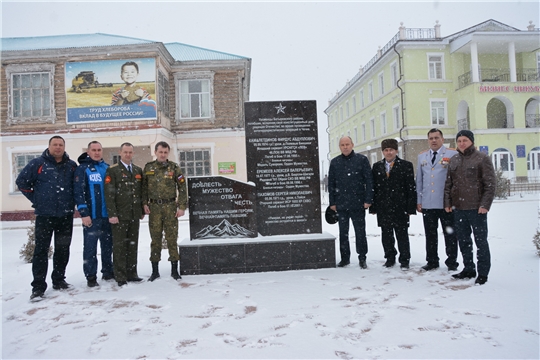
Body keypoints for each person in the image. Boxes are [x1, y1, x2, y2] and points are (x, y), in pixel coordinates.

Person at [16, 136, 78, 301]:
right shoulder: (38, 164)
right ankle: (38, 287)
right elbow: (21, 182)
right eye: (55, 145)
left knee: (62, 249)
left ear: (64, 147)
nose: (58, 147)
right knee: (41, 251)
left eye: (61, 145)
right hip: (45, 215)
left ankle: (58, 280)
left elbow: (77, 188)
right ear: (49, 146)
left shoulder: (71, 166)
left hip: (65, 215)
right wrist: (36, 199)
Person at [444, 130, 496, 285]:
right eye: (459, 140)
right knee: (464, 241)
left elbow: (490, 184)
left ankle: (483, 273)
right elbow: (448, 184)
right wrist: (447, 203)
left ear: (471, 141)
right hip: (458, 208)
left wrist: (485, 205)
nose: (461, 143)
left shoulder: (482, 159)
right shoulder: (453, 160)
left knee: (481, 242)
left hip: (476, 208)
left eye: (465, 140)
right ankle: (468, 268)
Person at [142, 141, 188, 281]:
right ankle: (155, 271)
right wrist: (144, 203)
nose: (163, 154)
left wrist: (181, 206)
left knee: (172, 238)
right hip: (154, 208)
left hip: (170, 208)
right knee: (155, 239)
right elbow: (143, 188)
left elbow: (182, 187)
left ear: (168, 153)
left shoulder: (174, 167)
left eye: (165, 152)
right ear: (155, 152)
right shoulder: (149, 168)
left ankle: (174, 270)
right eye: (160, 152)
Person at [370, 138, 417, 269]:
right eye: (386, 150)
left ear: (396, 151)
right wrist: (373, 206)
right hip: (383, 207)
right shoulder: (377, 166)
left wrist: (410, 207)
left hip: (400, 207)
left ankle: (404, 259)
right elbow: (374, 188)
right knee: (386, 235)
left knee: (402, 234)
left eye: (391, 150)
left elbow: (410, 188)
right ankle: (390, 257)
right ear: (382, 152)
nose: (389, 152)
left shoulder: (406, 165)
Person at [416, 129, 459, 271]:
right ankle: (432, 261)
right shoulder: (422, 156)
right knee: (430, 235)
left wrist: (453, 201)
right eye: (431, 138)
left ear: (442, 139)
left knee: (450, 234)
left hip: (445, 203)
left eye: (436, 138)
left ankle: (452, 262)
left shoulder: (452, 154)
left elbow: (455, 180)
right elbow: (420, 181)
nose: (433, 140)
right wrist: (419, 200)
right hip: (428, 203)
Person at [328, 136, 373, 269]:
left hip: (358, 203)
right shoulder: (335, 162)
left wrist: (368, 199)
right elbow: (331, 184)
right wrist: (332, 203)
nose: (345, 147)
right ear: (339, 147)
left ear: (352, 144)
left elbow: (369, 181)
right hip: (341, 204)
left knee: (360, 232)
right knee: (343, 233)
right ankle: (345, 258)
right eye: (342, 145)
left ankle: (362, 258)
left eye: (347, 144)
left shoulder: (362, 160)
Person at [104, 143, 145, 287]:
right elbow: (109, 194)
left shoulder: (137, 170)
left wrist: (140, 209)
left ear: (133, 153)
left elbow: (140, 192)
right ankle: (120, 275)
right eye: (125, 152)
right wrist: (112, 214)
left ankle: (132, 273)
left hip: (134, 214)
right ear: (120, 153)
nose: (128, 154)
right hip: (120, 215)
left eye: (130, 152)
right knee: (120, 246)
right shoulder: (113, 170)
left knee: (132, 244)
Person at [74, 141, 114, 287]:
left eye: (99, 150)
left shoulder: (107, 168)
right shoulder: (83, 169)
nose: (97, 152)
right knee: (90, 248)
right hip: (91, 217)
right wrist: (84, 213)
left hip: (107, 216)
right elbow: (78, 193)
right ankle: (91, 276)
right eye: (94, 150)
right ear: (88, 152)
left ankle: (108, 271)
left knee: (108, 246)